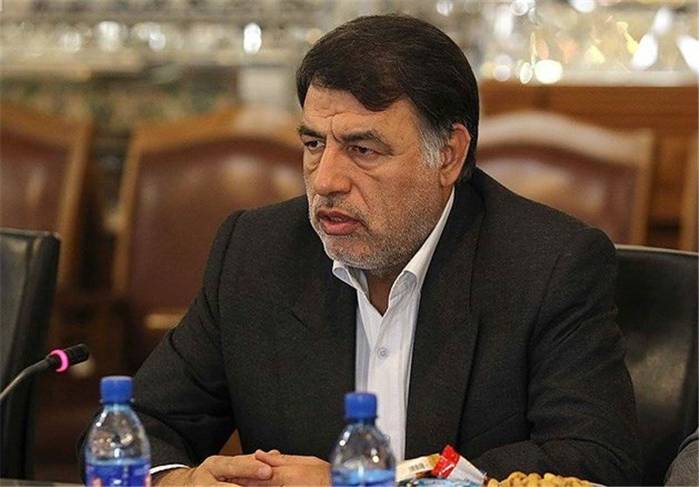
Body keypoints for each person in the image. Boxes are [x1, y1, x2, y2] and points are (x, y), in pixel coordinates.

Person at [111, 14, 641, 486]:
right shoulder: (256, 252)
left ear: (448, 156)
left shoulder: (548, 264)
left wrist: (372, 484)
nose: (326, 180)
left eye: (362, 149)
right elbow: (132, 427)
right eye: (314, 144)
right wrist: (177, 481)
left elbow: (594, 462)